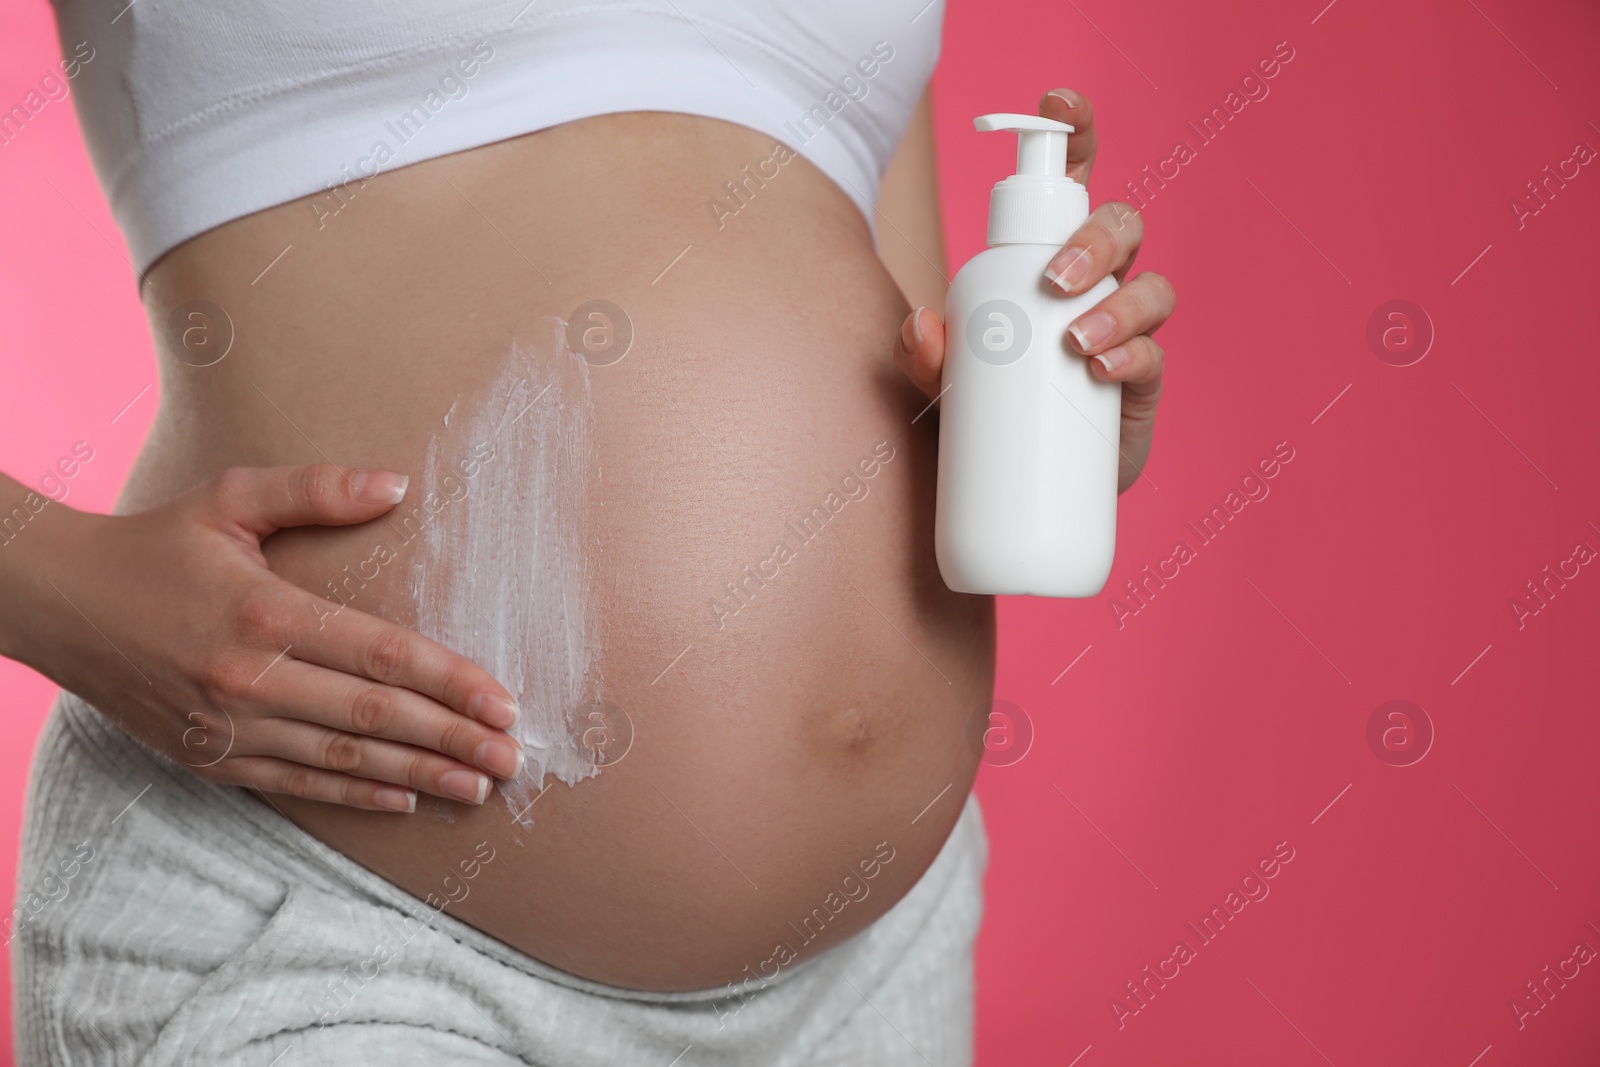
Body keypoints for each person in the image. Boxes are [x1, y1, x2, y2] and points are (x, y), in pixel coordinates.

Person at [2, 1, 1173, 1062]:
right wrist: (49, 580)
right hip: (346, 935)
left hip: (870, 971)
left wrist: (1034, 416)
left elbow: (906, 340)